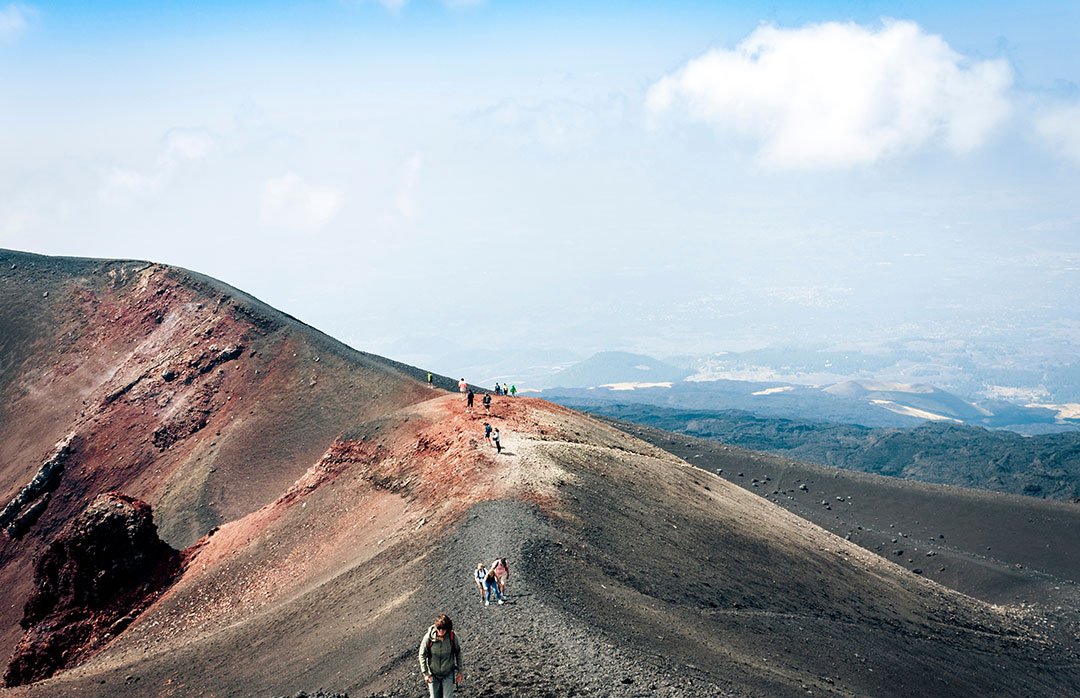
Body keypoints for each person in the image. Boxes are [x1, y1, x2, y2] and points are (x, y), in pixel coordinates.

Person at [418, 614, 463, 697]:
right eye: (439, 628)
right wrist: (426, 673)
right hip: (433, 674)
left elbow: (458, 652)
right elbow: (422, 654)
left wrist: (460, 672)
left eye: (444, 628)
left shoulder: (452, 637)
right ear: (436, 627)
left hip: (448, 673)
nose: (441, 631)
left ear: (448, 628)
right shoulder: (429, 637)